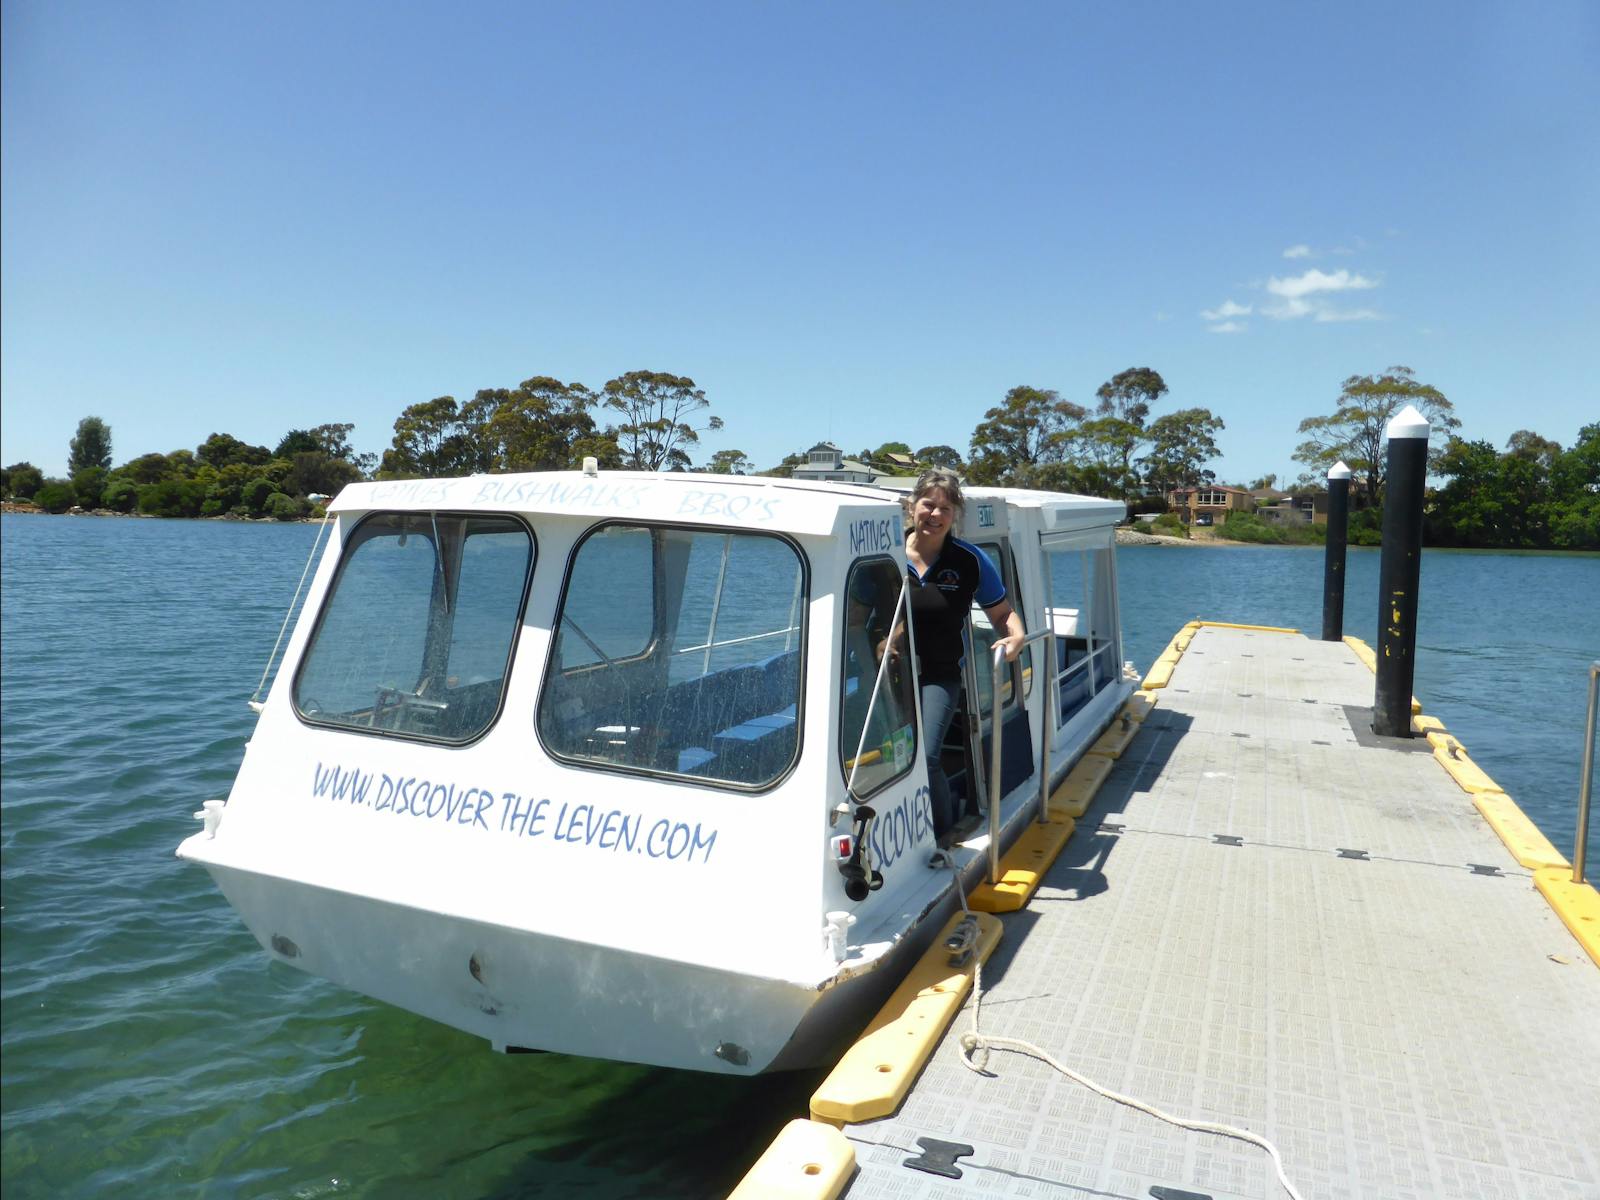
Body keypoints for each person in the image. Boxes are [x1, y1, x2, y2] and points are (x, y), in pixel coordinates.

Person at [901, 471, 1024, 838]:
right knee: (890, 760)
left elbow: (1002, 614)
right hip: (890, 674)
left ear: (955, 515)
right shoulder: (885, 552)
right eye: (928, 505)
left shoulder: (968, 560)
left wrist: (1016, 637)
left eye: (945, 508)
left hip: (940, 674)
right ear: (912, 507)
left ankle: (942, 834)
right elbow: (859, 615)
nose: (935, 514)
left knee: (926, 756)